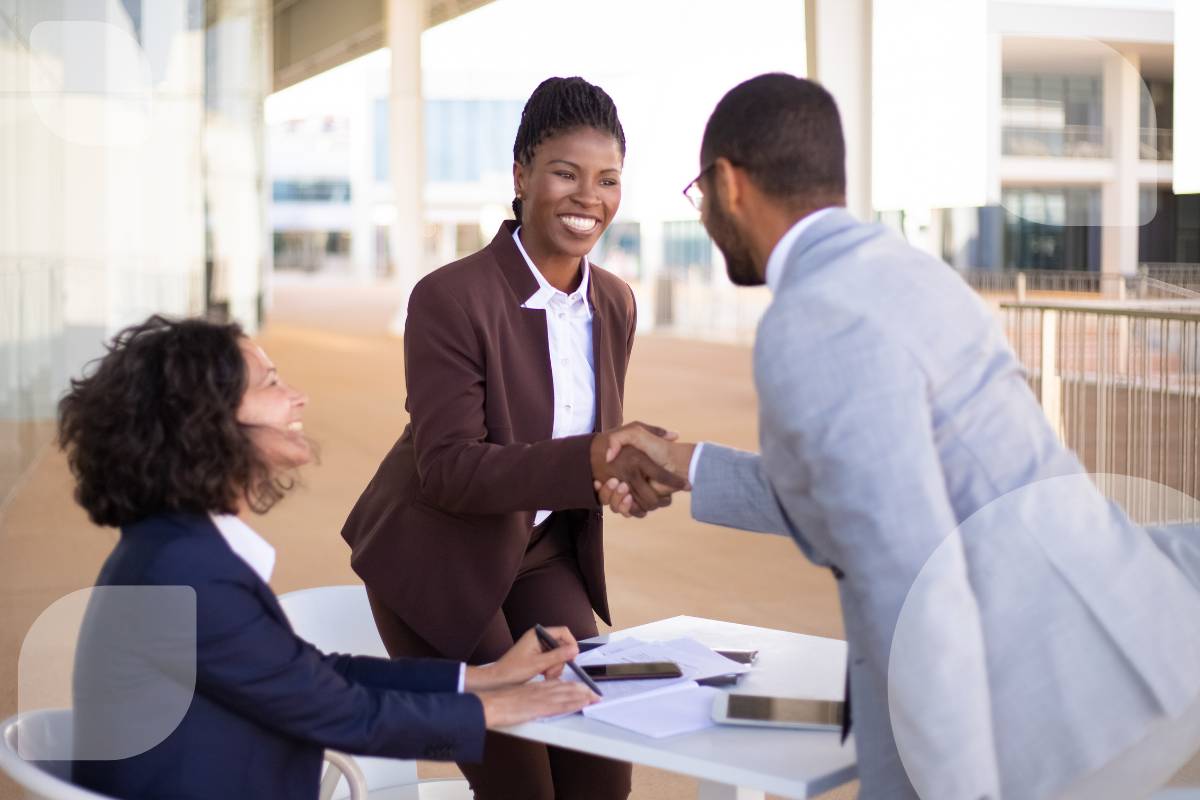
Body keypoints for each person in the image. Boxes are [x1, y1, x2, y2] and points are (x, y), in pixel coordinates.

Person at [598, 73, 1200, 799]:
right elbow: (863, 488)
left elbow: (912, 573)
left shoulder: (814, 318)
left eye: (699, 196)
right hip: (1122, 642)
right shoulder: (908, 274)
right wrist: (687, 464)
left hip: (1049, 707)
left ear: (729, 184)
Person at [59, 315, 597, 800]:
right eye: (271, 384)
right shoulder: (189, 574)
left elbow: (311, 675)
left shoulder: (175, 549)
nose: (298, 397)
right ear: (204, 420)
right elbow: (342, 713)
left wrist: (485, 677)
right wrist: (499, 709)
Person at [340, 76, 683, 800]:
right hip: (436, 552)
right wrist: (592, 459)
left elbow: (571, 449)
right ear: (522, 176)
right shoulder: (450, 297)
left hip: (541, 551)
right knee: (520, 782)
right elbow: (449, 470)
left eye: (608, 179)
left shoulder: (614, 303)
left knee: (599, 759)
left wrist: (621, 478)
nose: (588, 196)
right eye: (565, 172)